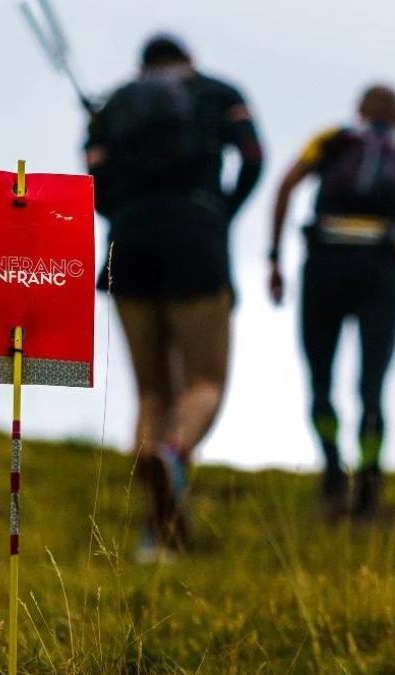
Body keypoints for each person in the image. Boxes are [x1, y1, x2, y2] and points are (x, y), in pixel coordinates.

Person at [85, 33, 263, 558]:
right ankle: (175, 451)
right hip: (196, 235)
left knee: (151, 392)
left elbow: (95, 182)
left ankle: (158, 531)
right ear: (189, 60)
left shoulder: (112, 105)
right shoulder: (219, 92)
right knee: (206, 380)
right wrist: (221, 211)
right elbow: (254, 157)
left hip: (128, 244)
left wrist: (126, 209)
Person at [268, 84, 395, 521]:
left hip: (324, 262)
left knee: (320, 378)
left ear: (358, 111)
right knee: (371, 387)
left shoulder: (332, 140)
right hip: (381, 268)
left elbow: (286, 186)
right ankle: (368, 481)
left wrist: (275, 259)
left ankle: (332, 470)